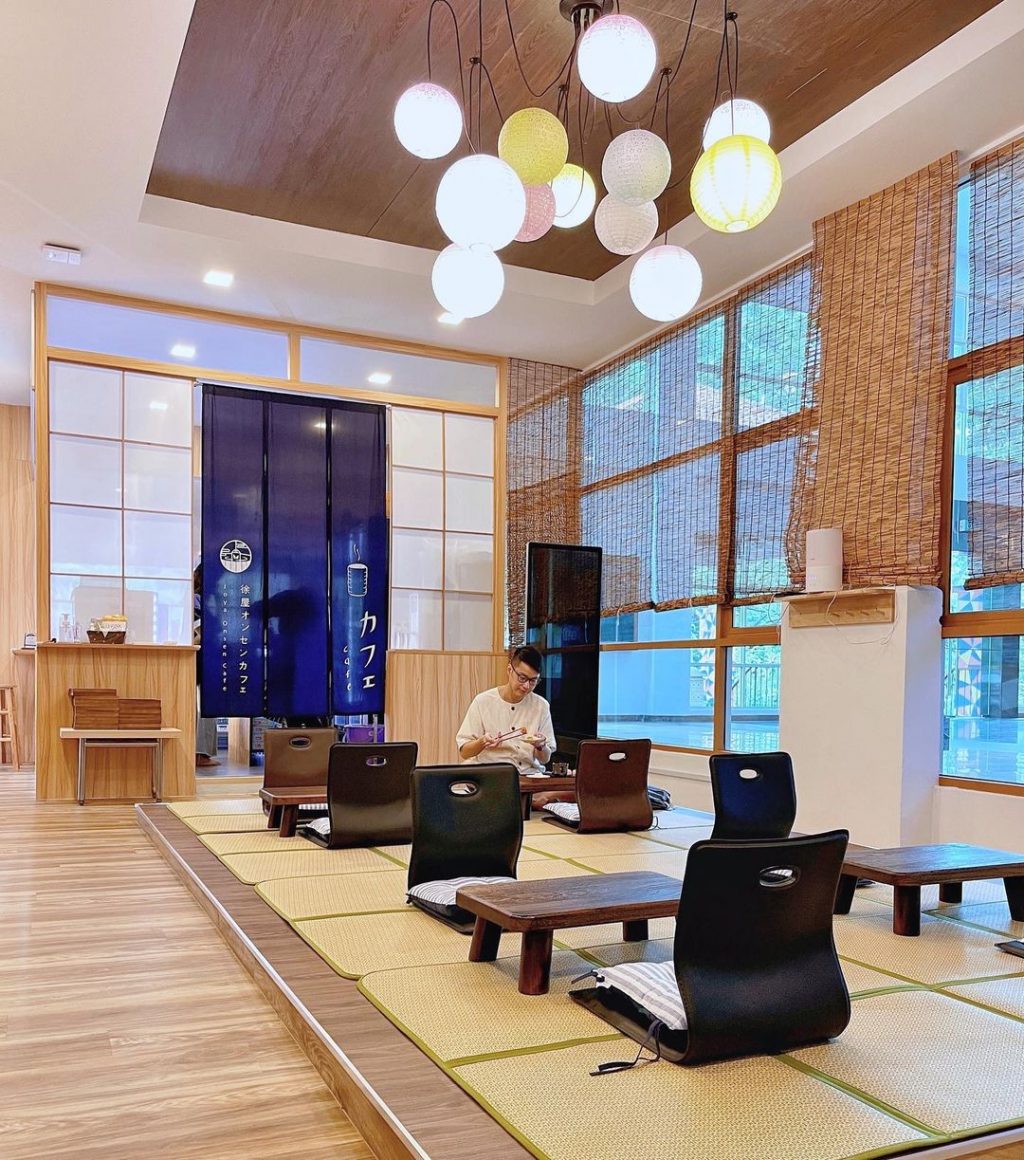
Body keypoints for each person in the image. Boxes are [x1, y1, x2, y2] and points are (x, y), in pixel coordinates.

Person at [456, 645, 555, 775]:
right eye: (522, 678)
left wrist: (541, 746)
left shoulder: (541, 706)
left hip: (528, 775)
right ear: (509, 670)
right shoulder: (483, 701)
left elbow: (545, 759)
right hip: (491, 775)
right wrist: (482, 742)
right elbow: (464, 752)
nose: (526, 686)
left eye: (533, 681)